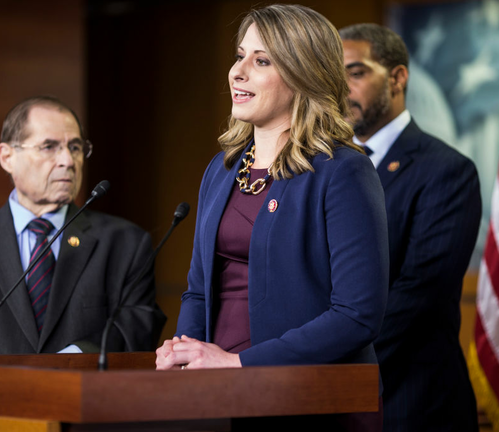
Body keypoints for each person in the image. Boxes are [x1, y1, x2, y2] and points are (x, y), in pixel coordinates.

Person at [155, 5, 388, 430]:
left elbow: (357, 315)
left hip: (308, 401)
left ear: (304, 75)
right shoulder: (222, 168)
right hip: (219, 399)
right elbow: (198, 292)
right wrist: (184, 351)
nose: (237, 72)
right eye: (240, 55)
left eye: (261, 61)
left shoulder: (343, 171)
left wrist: (239, 363)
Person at [0, 96, 165, 356]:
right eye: (49, 147)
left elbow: (137, 326)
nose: (67, 160)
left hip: (80, 391)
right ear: (7, 157)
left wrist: (70, 361)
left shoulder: (125, 243)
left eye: (75, 147)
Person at [339, 23, 481, 431]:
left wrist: (328, 356)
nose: (342, 88)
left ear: (398, 77)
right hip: (331, 399)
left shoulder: (447, 171)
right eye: (335, 76)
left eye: (356, 72)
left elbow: (420, 295)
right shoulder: (323, 169)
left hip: (414, 404)